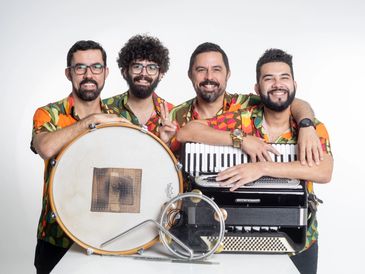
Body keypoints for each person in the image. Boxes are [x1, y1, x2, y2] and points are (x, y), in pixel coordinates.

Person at [176, 48, 334, 274]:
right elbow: (187, 132)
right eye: (269, 78)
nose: (277, 84)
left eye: (284, 78)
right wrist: (239, 139)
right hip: (238, 237)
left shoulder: (311, 128)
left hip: (299, 241)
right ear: (258, 89)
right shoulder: (243, 119)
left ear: (294, 85)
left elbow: (324, 171)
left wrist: (261, 167)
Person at [31, 40, 128, 273]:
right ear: (69, 73)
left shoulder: (119, 118)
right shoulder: (49, 114)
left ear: (105, 73)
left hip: (107, 234)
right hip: (56, 236)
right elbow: (45, 147)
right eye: (80, 68)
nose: (88, 74)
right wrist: (90, 122)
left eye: (96, 67)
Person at [169, 42, 323, 165]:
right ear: (190, 74)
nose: (209, 76)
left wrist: (306, 125)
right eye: (201, 69)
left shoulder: (248, 104)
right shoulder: (174, 115)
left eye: (216, 69)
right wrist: (240, 139)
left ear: (228, 74)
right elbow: (177, 144)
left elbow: (286, 101)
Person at [104, 34, 176, 143]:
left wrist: (166, 143)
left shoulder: (173, 114)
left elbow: (178, 159)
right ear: (124, 72)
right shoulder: (104, 109)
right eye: (137, 66)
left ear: (161, 74)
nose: (143, 74)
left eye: (151, 68)